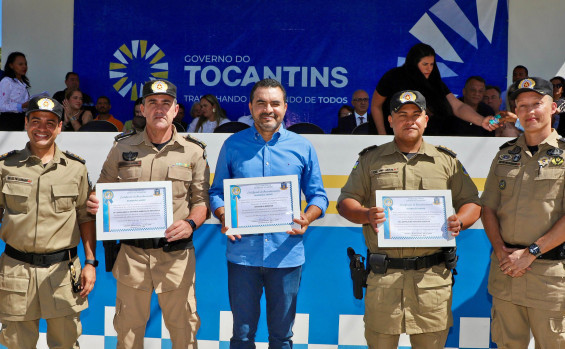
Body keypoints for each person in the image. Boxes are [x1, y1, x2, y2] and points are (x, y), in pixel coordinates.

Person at [338, 90, 481, 348]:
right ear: (390, 119)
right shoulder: (370, 158)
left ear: (426, 119)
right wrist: (366, 215)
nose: (410, 121)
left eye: (416, 115)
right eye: (402, 115)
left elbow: (472, 202)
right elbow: (345, 202)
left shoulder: (446, 161)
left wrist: (460, 220)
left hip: (432, 283)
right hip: (384, 282)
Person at [86, 80, 209, 348]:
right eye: (152, 102)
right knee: (128, 337)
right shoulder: (121, 147)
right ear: (142, 109)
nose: (159, 109)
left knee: (184, 335)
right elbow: (102, 189)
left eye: (166, 103)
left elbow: (201, 202)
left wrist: (190, 223)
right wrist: (96, 203)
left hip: (176, 258)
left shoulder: (193, 151)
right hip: (133, 258)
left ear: (176, 110)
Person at [209, 78, 328, 348]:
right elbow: (216, 192)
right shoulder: (232, 145)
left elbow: (319, 195)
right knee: (241, 335)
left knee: (282, 337)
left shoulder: (302, 147)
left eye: (275, 103)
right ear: (250, 107)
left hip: (286, 255)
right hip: (243, 257)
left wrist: (307, 218)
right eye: (261, 103)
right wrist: (224, 214)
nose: (268, 109)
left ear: (285, 108)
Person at [0, 96, 96, 348]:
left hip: (62, 273)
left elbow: (85, 218)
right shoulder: (5, 166)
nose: (42, 128)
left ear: (60, 127)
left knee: (65, 343)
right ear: (26, 123)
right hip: (15, 272)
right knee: (17, 344)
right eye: (36, 121)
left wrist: (90, 262)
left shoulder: (76, 168)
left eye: (50, 122)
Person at [481, 77, 565, 348]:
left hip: (549, 277)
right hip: (506, 274)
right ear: (515, 112)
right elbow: (489, 208)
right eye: (522, 106)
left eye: (537, 104)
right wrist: (501, 251)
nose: (530, 112)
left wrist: (530, 254)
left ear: (553, 107)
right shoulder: (504, 154)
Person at [370, 43, 497, 136]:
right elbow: (376, 106)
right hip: (396, 139)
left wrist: (481, 120)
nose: (429, 69)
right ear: (414, 63)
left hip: (432, 140)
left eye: (432, 64)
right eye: (425, 64)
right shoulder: (393, 77)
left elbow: (458, 107)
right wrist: (383, 136)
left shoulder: (435, 82)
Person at [0, 52, 31, 130]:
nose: (24, 67)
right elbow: (2, 106)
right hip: (8, 121)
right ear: (11, 65)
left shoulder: (23, 83)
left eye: (25, 64)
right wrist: (21, 106)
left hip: (21, 120)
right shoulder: (7, 81)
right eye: (20, 64)